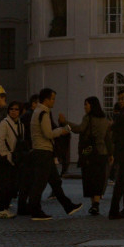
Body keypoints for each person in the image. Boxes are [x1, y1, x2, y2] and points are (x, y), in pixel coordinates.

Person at [20, 90, 78, 219]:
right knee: (40, 183)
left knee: (55, 182)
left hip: (43, 151)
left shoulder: (38, 112)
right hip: (43, 151)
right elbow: (48, 133)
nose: (54, 101)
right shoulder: (43, 112)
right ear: (46, 100)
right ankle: (35, 210)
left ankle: (68, 206)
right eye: (52, 99)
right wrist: (62, 130)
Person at [77, 97, 112, 216]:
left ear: (92, 105)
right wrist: (111, 153)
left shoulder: (87, 118)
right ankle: (96, 204)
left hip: (89, 153)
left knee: (89, 178)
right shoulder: (104, 119)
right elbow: (108, 138)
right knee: (98, 179)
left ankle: (94, 205)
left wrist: (66, 124)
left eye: (86, 105)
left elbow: (80, 129)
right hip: (102, 153)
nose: (84, 107)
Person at [0, 98, 25, 217]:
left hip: (16, 158)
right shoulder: (4, 123)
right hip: (4, 158)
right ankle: (2, 209)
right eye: (11, 109)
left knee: (13, 185)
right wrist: (4, 154)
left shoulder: (21, 124)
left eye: (16, 109)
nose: (13, 111)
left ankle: (5, 207)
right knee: (4, 184)